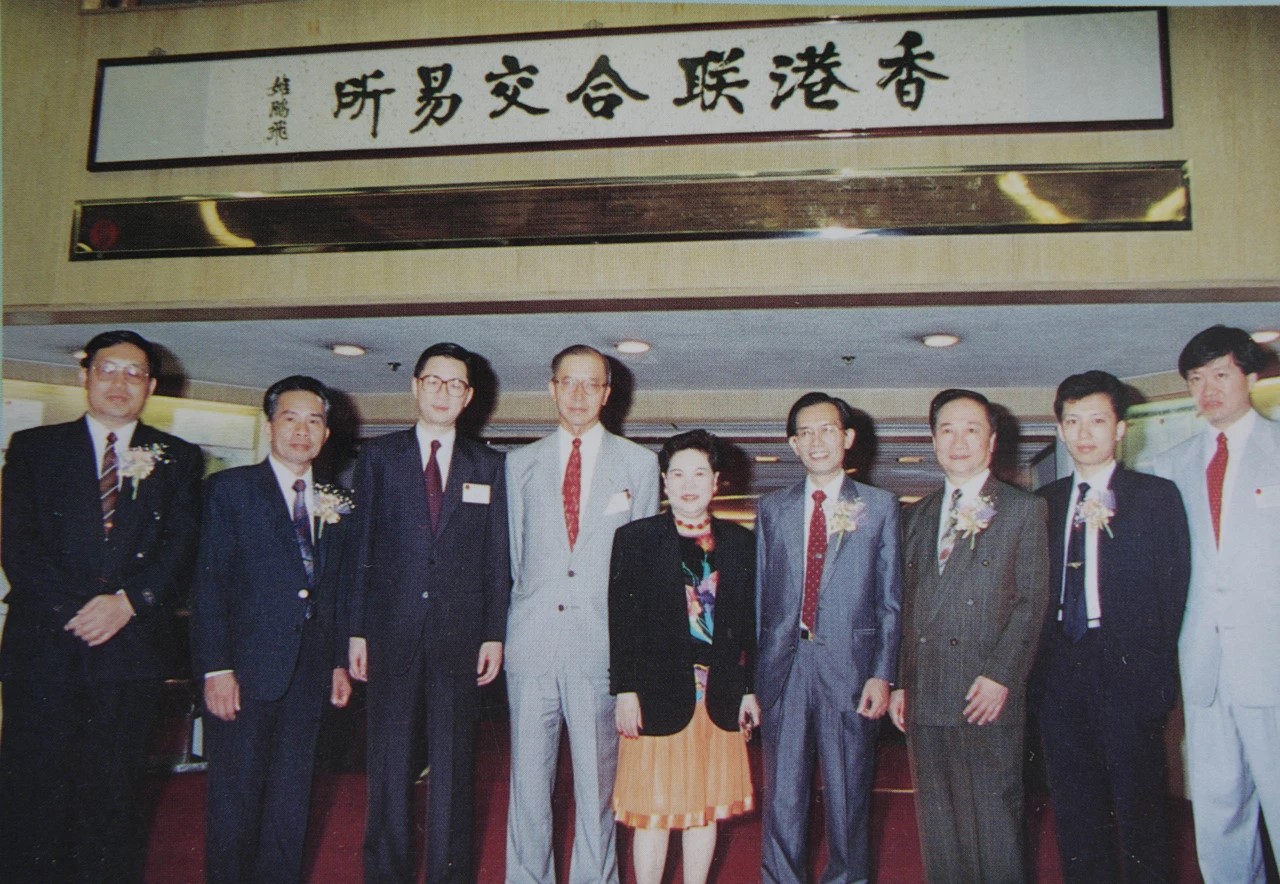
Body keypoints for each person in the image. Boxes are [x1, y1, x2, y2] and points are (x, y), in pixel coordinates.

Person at [0, 329, 202, 882]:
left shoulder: (178, 457)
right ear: (84, 376)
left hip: (129, 654)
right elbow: (18, 545)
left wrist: (128, 604)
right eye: (108, 370)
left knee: (114, 798)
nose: (120, 382)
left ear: (151, 386)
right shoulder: (34, 448)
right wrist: (83, 611)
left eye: (134, 373)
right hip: (45, 649)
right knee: (32, 793)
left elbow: (182, 546)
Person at [346, 342, 510, 884]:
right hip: (389, 633)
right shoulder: (378, 458)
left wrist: (493, 633)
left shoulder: (490, 466)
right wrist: (356, 631)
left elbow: (496, 559)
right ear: (415, 387)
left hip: (460, 637)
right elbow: (360, 549)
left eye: (455, 384)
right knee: (389, 765)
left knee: (455, 768)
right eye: (434, 382)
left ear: (469, 397)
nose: (444, 393)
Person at [504, 344, 659, 884]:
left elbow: (642, 573)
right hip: (532, 647)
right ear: (551, 389)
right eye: (567, 382)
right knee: (527, 790)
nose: (578, 394)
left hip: (601, 651)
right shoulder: (518, 465)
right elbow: (516, 558)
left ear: (607, 394)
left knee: (597, 792)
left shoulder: (639, 465)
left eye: (591, 384)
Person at [190, 375, 353, 883]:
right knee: (235, 804)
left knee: (291, 802)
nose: (302, 431)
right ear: (269, 426)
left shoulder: (337, 499)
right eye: (291, 418)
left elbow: (338, 590)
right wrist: (216, 668)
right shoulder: (230, 490)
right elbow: (209, 585)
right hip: (243, 673)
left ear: (326, 433)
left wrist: (337, 663)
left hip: (309, 675)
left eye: (314, 421)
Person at [1030, 371, 1190, 883]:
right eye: (1073, 421)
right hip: (1060, 670)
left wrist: (1157, 679)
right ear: (1060, 429)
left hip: (1128, 670)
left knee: (1141, 806)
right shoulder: (1043, 504)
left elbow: (1172, 594)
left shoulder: (1155, 497)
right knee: (1075, 808)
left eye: (1097, 420)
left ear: (1120, 428)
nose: (1084, 433)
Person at [889, 388, 1049, 884]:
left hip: (986, 692)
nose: (959, 441)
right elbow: (906, 607)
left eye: (971, 429)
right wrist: (900, 682)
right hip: (926, 694)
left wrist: (1001, 676)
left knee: (995, 822)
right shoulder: (915, 515)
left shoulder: (1023, 510)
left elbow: (1031, 602)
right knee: (939, 828)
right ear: (934, 440)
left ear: (992, 440)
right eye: (947, 430)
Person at [755, 391, 902, 884]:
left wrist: (882, 674)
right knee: (783, 797)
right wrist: (755, 681)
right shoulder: (772, 509)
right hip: (784, 670)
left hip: (851, 672)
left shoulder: (879, 507)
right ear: (793, 445)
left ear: (848, 438)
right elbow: (761, 599)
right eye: (805, 433)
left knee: (848, 797)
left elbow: (890, 601)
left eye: (827, 430)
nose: (817, 441)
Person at [1151, 325, 1280, 883]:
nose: (1208, 390)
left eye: (1220, 375)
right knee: (1218, 810)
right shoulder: (1168, 467)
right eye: (1196, 379)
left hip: (1272, 663)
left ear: (1250, 376)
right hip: (1203, 667)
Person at [608, 430, 759, 884]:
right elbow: (621, 622)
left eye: (699, 474)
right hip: (655, 695)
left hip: (719, 696)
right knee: (652, 813)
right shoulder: (635, 539)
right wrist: (624, 691)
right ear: (664, 482)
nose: (688, 484)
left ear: (716, 481)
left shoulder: (740, 542)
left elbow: (748, 626)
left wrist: (749, 690)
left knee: (703, 810)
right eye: (677, 474)